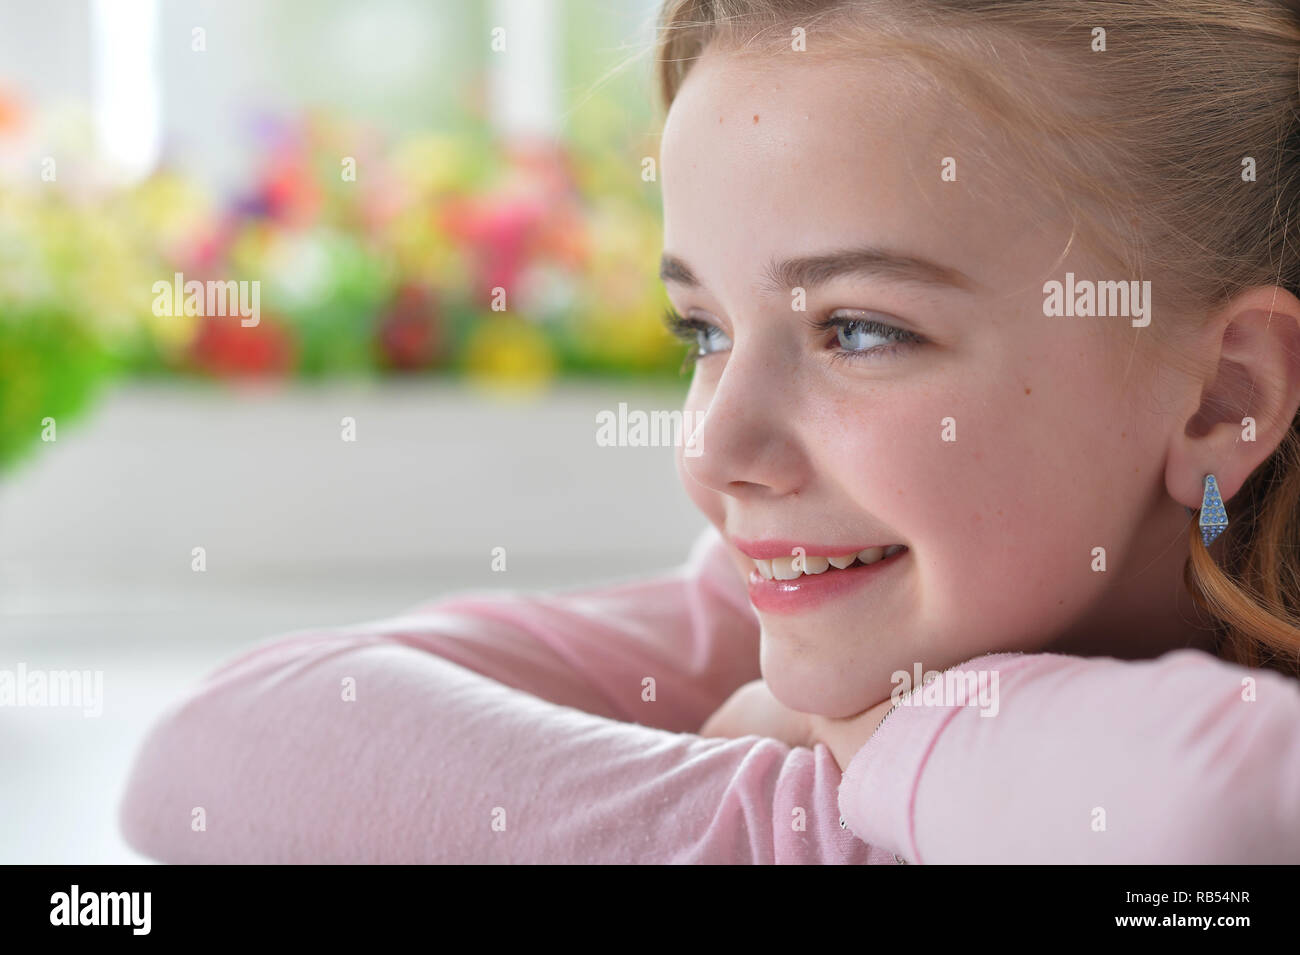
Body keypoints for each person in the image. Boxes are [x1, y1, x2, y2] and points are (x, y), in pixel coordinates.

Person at [118, 0, 1300, 863]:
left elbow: (1223, 813)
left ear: (1224, 397)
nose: (714, 447)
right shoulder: (803, 598)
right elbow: (221, 749)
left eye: (859, 331)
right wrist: (814, 806)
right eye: (702, 330)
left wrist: (860, 746)